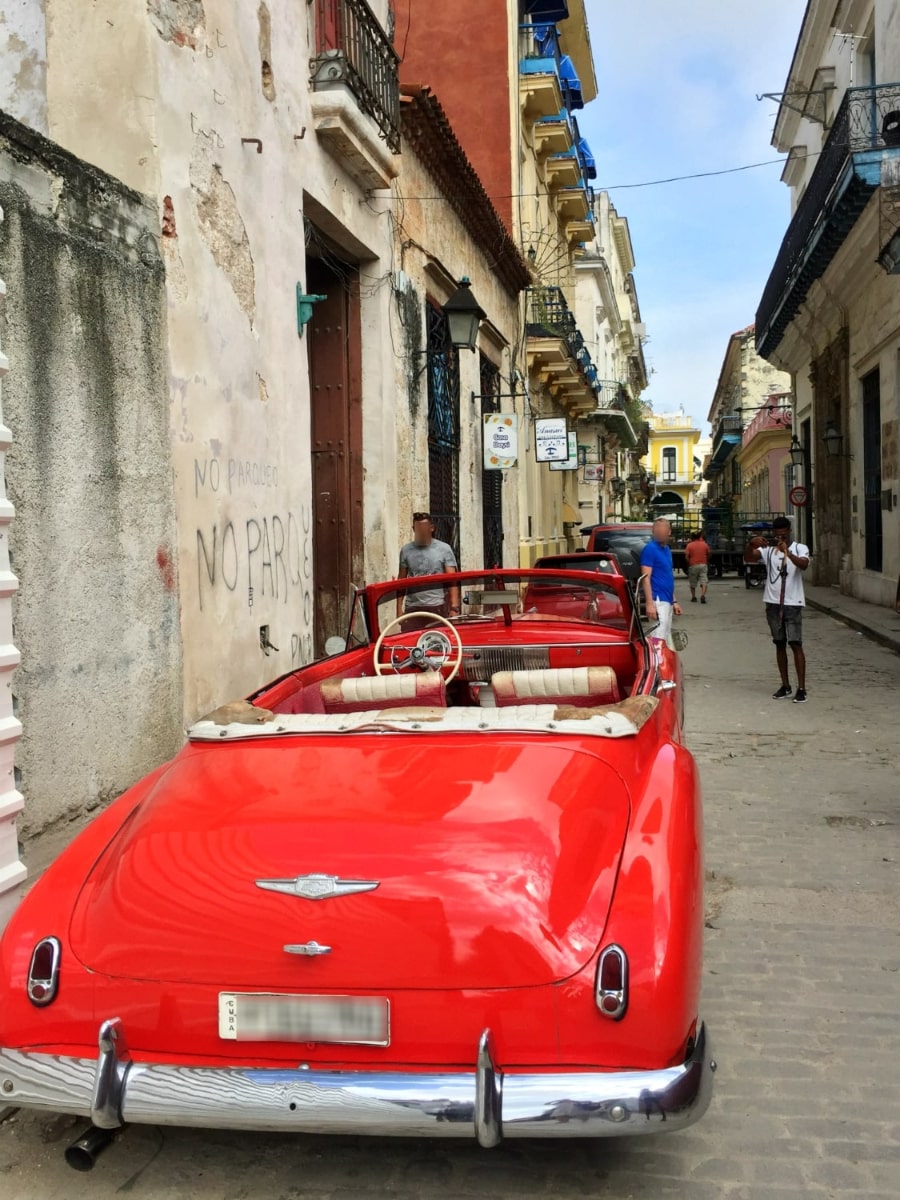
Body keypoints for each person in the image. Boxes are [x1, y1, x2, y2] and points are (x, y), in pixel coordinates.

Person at [744, 516, 810, 703]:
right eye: (777, 534)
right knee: (779, 643)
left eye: (784, 534)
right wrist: (751, 543)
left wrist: (787, 552)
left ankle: (802, 688)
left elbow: (804, 565)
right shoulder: (768, 550)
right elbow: (749, 557)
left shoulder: (799, 547)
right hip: (772, 603)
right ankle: (785, 685)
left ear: (789, 531)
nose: (780, 537)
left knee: (796, 644)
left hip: (793, 603)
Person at [397, 512, 460, 620]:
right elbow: (400, 582)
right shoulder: (406, 551)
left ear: (431, 528)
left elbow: (452, 580)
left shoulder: (444, 549)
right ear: (414, 529)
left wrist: (454, 608)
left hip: (436, 607)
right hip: (413, 608)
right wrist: (398, 609)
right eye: (418, 529)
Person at [640, 518, 682, 645]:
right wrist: (649, 604)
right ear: (653, 531)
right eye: (657, 529)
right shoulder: (650, 549)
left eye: (663, 529)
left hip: (667, 600)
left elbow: (668, 576)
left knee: (666, 638)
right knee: (658, 640)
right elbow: (645, 577)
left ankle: (662, 664)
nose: (660, 532)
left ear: (669, 532)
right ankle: (656, 664)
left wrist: (674, 601)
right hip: (657, 600)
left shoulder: (667, 550)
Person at [684, 531, 712, 604]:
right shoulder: (704, 544)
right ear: (700, 536)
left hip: (693, 565)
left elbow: (686, 557)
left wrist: (689, 562)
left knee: (692, 582)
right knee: (704, 581)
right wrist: (706, 560)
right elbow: (709, 554)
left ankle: (693, 597)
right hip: (703, 564)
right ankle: (702, 595)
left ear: (692, 537)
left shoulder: (689, 545)